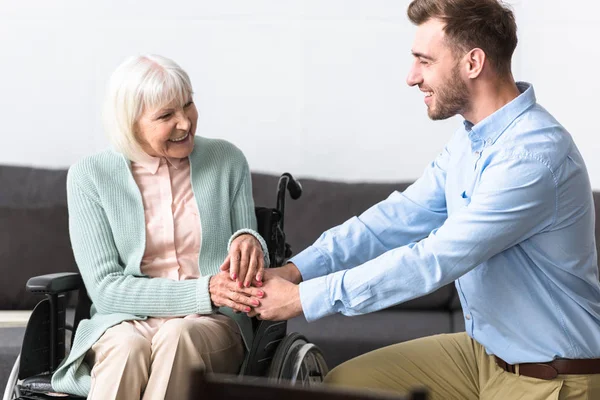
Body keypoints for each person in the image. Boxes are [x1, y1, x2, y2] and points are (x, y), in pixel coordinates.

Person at [240, 0, 600, 398]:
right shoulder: (471, 139)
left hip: (549, 374)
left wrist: (304, 299)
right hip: (484, 354)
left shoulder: (533, 156)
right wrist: (297, 270)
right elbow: (398, 218)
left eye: (424, 61)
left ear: (473, 62)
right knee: (345, 386)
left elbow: (434, 258)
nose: (411, 77)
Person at [51, 54, 269, 400]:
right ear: (130, 123)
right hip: (124, 321)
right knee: (125, 347)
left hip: (210, 323)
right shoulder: (90, 176)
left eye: (188, 104)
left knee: (178, 336)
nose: (185, 123)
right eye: (166, 116)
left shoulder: (226, 160)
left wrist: (249, 240)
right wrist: (205, 290)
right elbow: (106, 290)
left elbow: (247, 251)